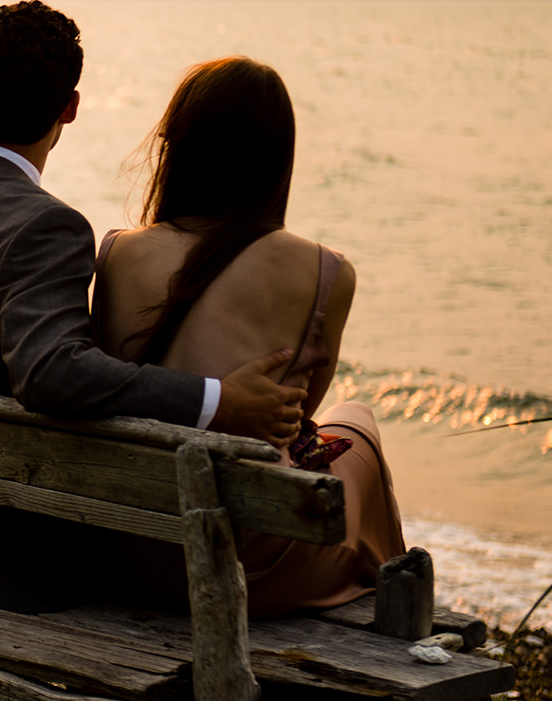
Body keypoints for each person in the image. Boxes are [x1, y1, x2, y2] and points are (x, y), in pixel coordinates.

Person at [0, 1, 313, 613]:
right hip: (15, 571)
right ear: (70, 108)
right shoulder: (48, 226)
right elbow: (52, 373)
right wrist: (217, 399)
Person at [92, 55, 406, 615]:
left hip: (131, 548)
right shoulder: (325, 272)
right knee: (356, 423)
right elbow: (298, 414)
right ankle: (393, 603)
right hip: (247, 564)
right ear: (276, 160)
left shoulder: (119, 253)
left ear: (179, 147)